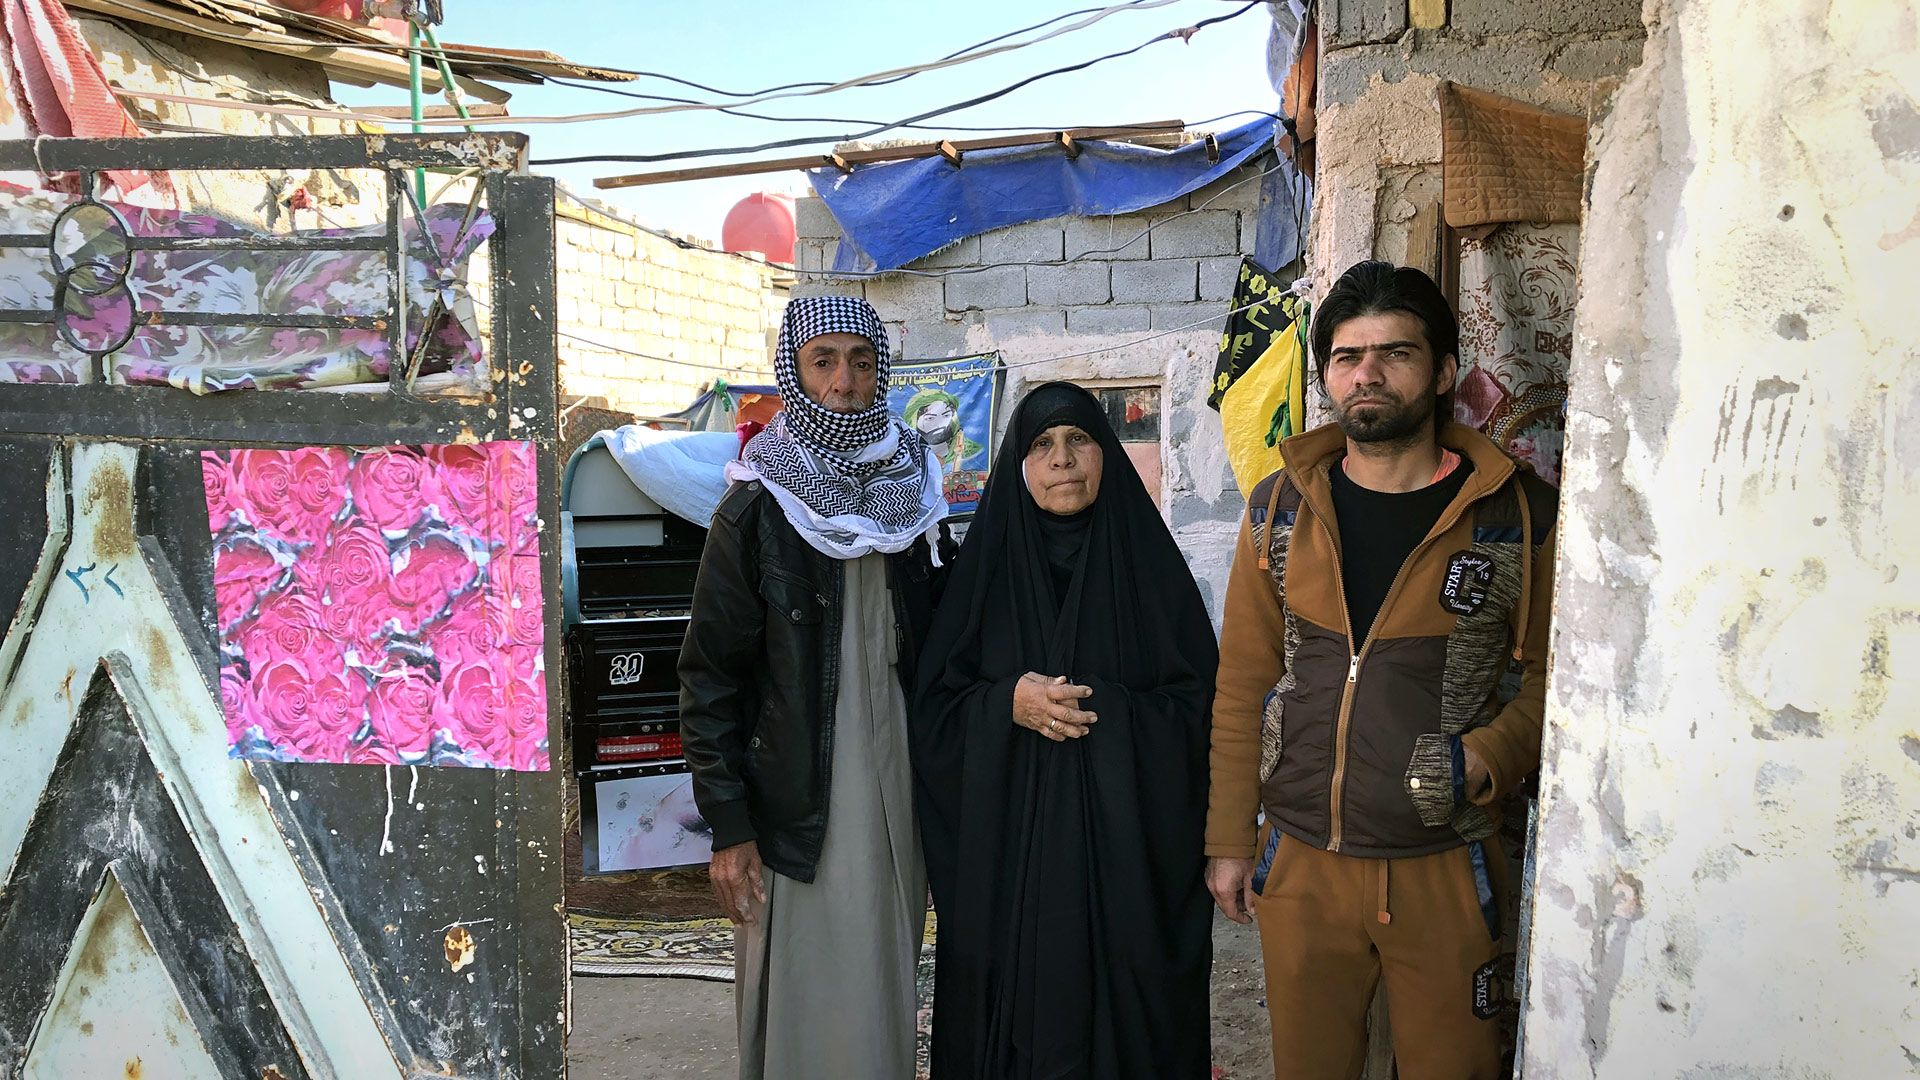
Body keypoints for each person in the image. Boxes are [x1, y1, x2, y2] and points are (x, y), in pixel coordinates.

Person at [1205, 261, 1558, 1079]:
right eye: (1346, 355)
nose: (1366, 373)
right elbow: (1242, 684)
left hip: (1446, 863)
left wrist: (1485, 757)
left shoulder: (1513, 515)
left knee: (1455, 1066)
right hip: (1299, 862)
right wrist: (1230, 840)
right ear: (1326, 373)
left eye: (1394, 353)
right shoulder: (1280, 507)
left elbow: (1557, 685)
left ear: (1440, 373)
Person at [677, 295, 951, 1080]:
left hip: (900, 779)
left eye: (862, 363)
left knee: (885, 968)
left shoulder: (915, 498)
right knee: (800, 987)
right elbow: (709, 678)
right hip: (796, 796)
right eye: (823, 362)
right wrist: (728, 826)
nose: (845, 382)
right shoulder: (758, 506)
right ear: (793, 374)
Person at [913, 381, 1219, 1079]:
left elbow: (1201, 707)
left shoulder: (1153, 575)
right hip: (1009, 871)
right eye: (1042, 445)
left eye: (1079, 439)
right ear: (1018, 463)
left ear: (1105, 453)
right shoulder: (979, 579)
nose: (1062, 460)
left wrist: (1103, 709)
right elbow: (933, 716)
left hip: (1128, 875)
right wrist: (1005, 705)